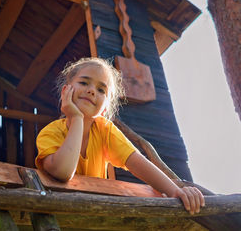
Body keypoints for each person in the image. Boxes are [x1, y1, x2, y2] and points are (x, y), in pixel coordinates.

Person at [35, 57, 205, 214]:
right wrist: (76, 118)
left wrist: (176, 191)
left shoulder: (105, 130)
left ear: (104, 108)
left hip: (93, 212)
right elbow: (63, 172)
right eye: (84, 82)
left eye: (101, 89)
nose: (92, 91)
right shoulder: (50, 133)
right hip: (57, 211)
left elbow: (137, 163)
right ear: (66, 91)